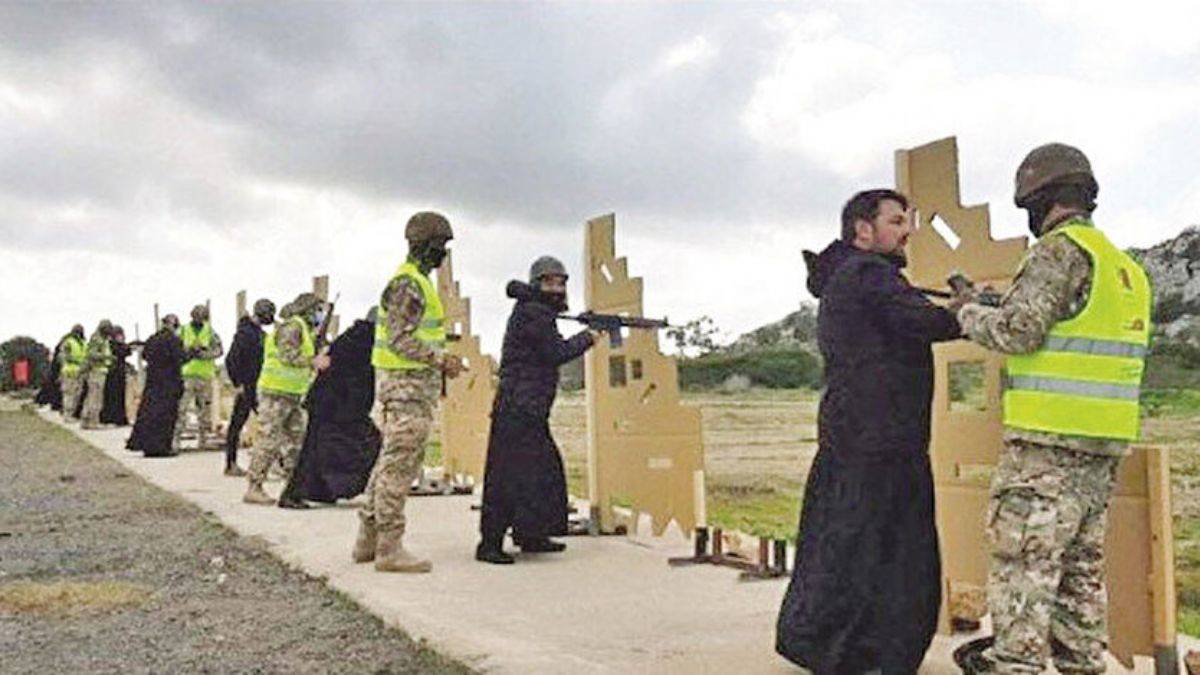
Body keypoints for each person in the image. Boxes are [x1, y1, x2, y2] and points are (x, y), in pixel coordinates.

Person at [951, 144, 1151, 675]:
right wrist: (1000, 301)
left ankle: (1016, 665)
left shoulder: (1055, 253)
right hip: (1099, 450)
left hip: (1045, 451)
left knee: (1022, 567)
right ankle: (1081, 666)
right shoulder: (1123, 268)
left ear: (1038, 200)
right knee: (1077, 577)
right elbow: (1064, 327)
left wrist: (967, 312)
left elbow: (1018, 332)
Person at [776, 190, 961, 674]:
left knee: (847, 547)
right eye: (896, 221)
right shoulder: (868, 274)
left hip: (857, 437)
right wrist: (965, 311)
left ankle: (830, 646)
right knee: (896, 556)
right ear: (863, 230)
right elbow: (923, 321)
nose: (906, 231)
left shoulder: (847, 276)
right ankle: (866, 653)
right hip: (883, 443)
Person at [352, 211, 463, 574]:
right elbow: (400, 338)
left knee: (388, 463)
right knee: (399, 468)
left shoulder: (415, 282)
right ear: (426, 245)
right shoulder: (408, 284)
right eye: (441, 246)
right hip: (406, 388)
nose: (443, 254)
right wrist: (439, 360)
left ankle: (367, 540)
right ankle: (389, 547)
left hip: (407, 387)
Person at [475, 256, 599, 565]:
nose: (556, 287)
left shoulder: (538, 311)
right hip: (518, 409)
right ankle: (490, 543)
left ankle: (531, 533)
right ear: (536, 284)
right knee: (507, 477)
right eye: (549, 282)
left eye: (560, 282)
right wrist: (590, 336)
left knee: (539, 475)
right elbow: (555, 352)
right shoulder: (534, 313)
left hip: (527, 409)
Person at [284, 311, 382, 505]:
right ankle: (303, 492)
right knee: (366, 443)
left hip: (331, 404)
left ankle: (317, 491)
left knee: (316, 449)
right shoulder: (364, 340)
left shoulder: (355, 337)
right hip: (337, 406)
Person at [244, 292, 326, 506]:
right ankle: (254, 487)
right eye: (318, 309)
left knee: (296, 442)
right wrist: (313, 361)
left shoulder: (304, 330)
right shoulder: (293, 327)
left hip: (292, 394)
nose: (320, 314)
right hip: (275, 392)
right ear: (308, 309)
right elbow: (287, 355)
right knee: (268, 440)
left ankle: (293, 488)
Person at [223, 298, 275, 477]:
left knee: (268, 423)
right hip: (247, 386)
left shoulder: (259, 334)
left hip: (258, 384)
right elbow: (231, 360)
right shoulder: (245, 334)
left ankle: (271, 463)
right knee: (237, 424)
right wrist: (238, 383)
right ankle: (230, 463)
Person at [127, 315, 187, 457]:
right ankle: (162, 447)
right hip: (169, 382)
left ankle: (148, 446)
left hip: (153, 382)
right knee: (166, 416)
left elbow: (145, 355)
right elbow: (181, 358)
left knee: (149, 414)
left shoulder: (152, 339)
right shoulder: (174, 340)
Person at [173, 304, 224, 452]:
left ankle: (204, 439)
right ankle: (175, 439)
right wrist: (188, 352)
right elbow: (175, 349)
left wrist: (204, 354)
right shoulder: (182, 330)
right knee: (181, 408)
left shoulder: (210, 332)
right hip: (186, 374)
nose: (200, 319)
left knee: (205, 409)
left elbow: (219, 350)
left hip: (205, 375)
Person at [81, 320, 115, 429]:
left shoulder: (102, 339)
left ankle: (86, 420)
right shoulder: (97, 339)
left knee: (91, 396)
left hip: (100, 370)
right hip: (96, 371)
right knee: (95, 398)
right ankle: (93, 422)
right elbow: (92, 354)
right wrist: (107, 357)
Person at [99, 325, 131, 426]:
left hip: (120, 373)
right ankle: (110, 418)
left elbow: (127, 351)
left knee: (120, 397)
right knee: (112, 397)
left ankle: (120, 418)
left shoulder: (120, 345)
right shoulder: (111, 345)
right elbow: (122, 352)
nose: (120, 337)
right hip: (112, 372)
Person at [57, 324, 86, 421]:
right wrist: (76, 361)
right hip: (69, 371)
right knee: (69, 394)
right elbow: (63, 356)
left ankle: (72, 414)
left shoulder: (83, 342)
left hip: (80, 371)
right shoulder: (68, 342)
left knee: (77, 394)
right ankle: (67, 415)